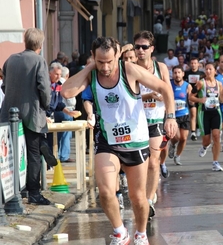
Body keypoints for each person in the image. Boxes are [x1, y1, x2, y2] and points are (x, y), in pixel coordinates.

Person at [61, 36, 177, 245]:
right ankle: (120, 232)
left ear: (118, 56)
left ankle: (140, 234)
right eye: (100, 62)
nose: (105, 67)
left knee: (138, 198)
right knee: (105, 191)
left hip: (136, 141)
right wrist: (88, 69)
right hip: (107, 141)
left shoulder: (129, 70)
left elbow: (165, 89)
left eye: (109, 62)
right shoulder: (93, 73)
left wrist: (170, 117)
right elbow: (67, 91)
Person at [0, 28, 55, 205]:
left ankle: (16, 190)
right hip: (32, 113)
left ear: (25, 41)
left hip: (9, 112)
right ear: (40, 44)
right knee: (33, 154)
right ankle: (34, 192)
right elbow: (44, 89)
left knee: (11, 153)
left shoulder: (10, 60)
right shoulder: (39, 61)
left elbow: (4, 84)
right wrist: (47, 107)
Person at [133, 30, 172, 221]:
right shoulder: (129, 68)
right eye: (137, 47)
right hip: (136, 120)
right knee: (140, 162)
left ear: (152, 49)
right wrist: (147, 96)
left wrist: (170, 117)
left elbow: (168, 92)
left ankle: (148, 202)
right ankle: (142, 195)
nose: (140, 50)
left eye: (144, 47)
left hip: (155, 118)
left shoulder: (161, 68)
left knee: (154, 160)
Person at [190, 62, 223, 171]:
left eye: (210, 69)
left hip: (216, 112)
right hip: (204, 113)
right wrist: (200, 100)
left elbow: (222, 97)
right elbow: (191, 96)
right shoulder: (201, 83)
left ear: (215, 71)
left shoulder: (219, 84)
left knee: (216, 136)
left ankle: (215, 162)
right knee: (207, 140)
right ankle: (205, 146)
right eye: (206, 69)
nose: (208, 71)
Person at [167, 66, 192, 166]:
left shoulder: (187, 86)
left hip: (184, 114)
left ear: (183, 74)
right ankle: (172, 144)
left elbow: (191, 99)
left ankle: (178, 156)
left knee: (184, 138)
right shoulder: (169, 85)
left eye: (179, 72)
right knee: (176, 137)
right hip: (173, 115)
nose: (177, 75)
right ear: (172, 74)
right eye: (175, 73)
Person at [184, 58, 205, 141]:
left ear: (198, 64)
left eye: (195, 63)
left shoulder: (202, 74)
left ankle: (199, 127)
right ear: (190, 64)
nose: (193, 64)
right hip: (191, 95)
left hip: (200, 96)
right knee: (193, 113)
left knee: (199, 113)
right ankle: (193, 132)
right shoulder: (186, 73)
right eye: (192, 63)